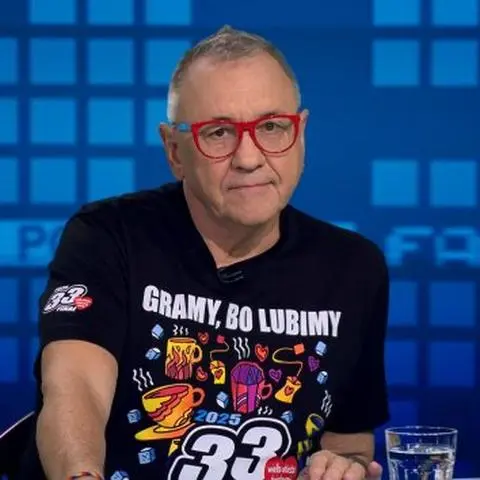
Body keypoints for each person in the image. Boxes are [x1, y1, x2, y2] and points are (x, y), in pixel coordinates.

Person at [19, 25, 390, 480]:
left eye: (272, 127)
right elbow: (75, 389)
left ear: (301, 134)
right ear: (175, 151)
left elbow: (349, 442)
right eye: (218, 133)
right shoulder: (108, 236)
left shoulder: (353, 268)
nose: (249, 158)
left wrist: (346, 467)